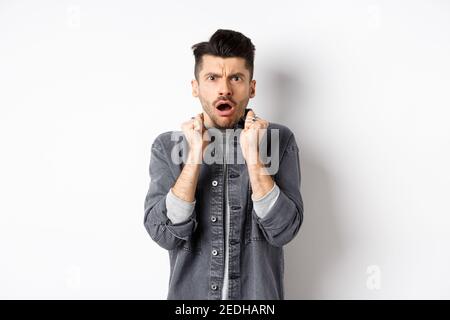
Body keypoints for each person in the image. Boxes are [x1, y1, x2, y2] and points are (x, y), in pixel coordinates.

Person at [144, 29, 304, 300]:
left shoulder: (280, 141)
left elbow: (284, 230)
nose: (224, 89)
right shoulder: (168, 147)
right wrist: (195, 156)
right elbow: (165, 235)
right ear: (195, 87)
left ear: (251, 87)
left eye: (236, 78)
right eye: (212, 78)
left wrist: (253, 157)